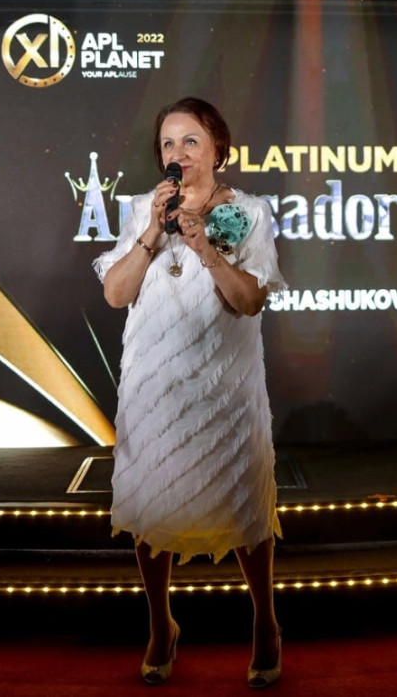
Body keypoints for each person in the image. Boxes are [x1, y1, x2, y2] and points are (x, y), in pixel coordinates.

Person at [93, 97, 286, 688]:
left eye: (191, 141)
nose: (178, 154)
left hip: (224, 384)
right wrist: (153, 231)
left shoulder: (246, 213)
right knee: (153, 502)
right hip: (154, 383)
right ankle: (161, 625)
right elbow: (116, 294)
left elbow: (249, 301)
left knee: (244, 502)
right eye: (168, 144)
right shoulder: (140, 210)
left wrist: (205, 248)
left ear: (218, 149)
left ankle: (265, 622)